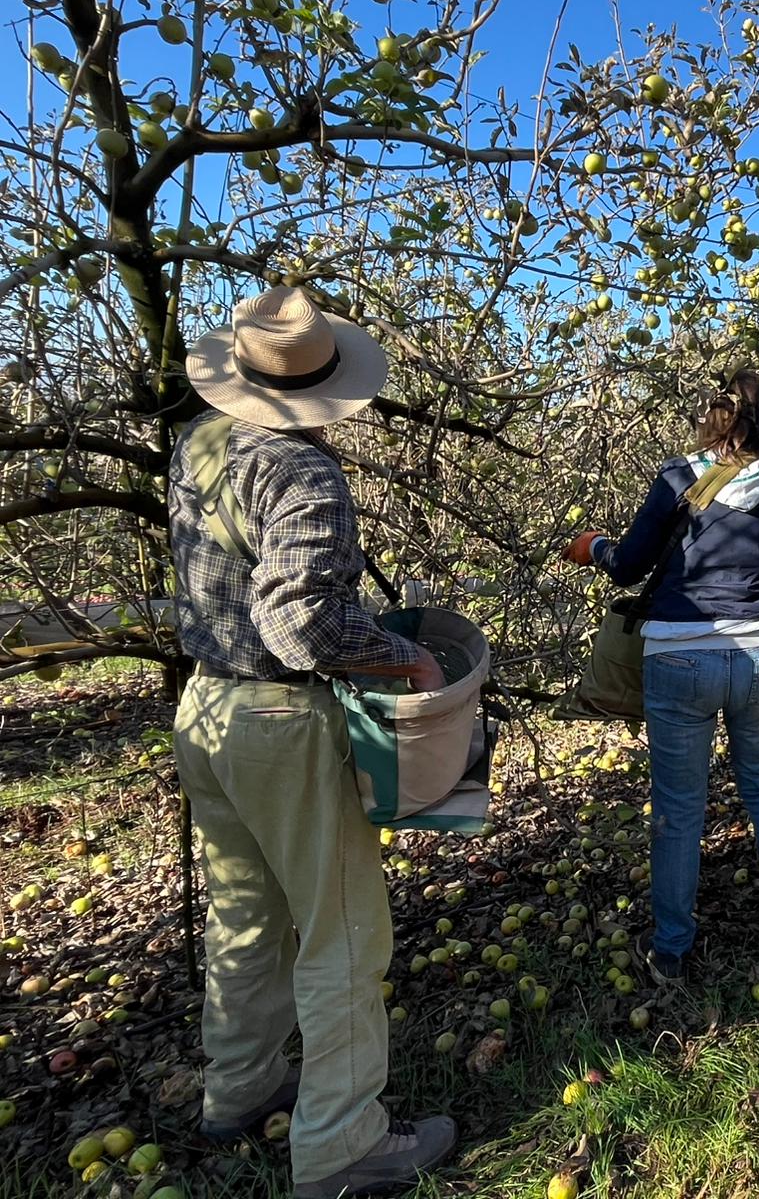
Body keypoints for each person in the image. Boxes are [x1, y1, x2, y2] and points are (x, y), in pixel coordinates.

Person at [169, 287, 456, 1198]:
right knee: (342, 933)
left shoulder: (199, 444)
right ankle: (341, 1147)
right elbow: (298, 625)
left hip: (205, 710)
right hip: (280, 721)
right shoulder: (300, 472)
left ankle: (240, 1087)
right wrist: (407, 658)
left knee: (245, 914)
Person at [563, 371, 759, 977]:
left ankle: (672, 948)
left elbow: (629, 566)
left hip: (680, 654)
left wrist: (595, 546)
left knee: (679, 806)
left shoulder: (678, 479)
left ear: (710, 420)